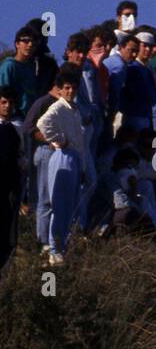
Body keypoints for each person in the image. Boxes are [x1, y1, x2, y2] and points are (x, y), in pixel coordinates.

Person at [35, 66, 88, 264]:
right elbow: (43, 123)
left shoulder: (74, 109)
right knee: (59, 204)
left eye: (73, 88)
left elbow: (80, 141)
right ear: (60, 89)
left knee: (71, 203)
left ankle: (63, 245)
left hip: (74, 156)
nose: (70, 92)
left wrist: (81, 165)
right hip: (62, 155)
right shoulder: (58, 107)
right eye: (66, 88)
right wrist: (59, 139)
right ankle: (54, 248)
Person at [0, 86, 21, 271]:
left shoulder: (15, 128)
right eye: (3, 102)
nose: (7, 106)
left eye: (11, 103)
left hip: (10, 187)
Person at [0, 26, 39, 118]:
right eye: (25, 41)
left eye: (33, 42)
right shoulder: (9, 66)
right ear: (17, 44)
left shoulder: (32, 67)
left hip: (29, 120)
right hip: (13, 118)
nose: (30, 45)